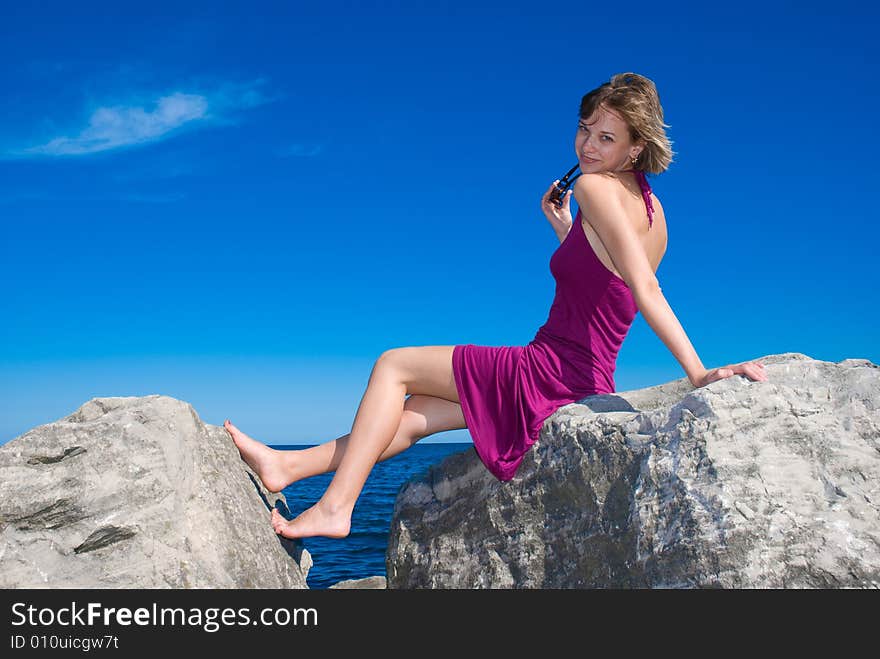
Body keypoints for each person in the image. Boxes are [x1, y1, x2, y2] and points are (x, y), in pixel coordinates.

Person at [223, 72, 768, 540]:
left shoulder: (599, 190)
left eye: (606, 138)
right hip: (584, 379)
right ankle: (286, 465)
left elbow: (644, 292)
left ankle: (337, 507)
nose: (588, 147)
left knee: (394, 364)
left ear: (633, 148)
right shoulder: (654, 212)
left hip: (549, 372)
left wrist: (699, 374)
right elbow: (611, 291)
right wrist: (566, 234)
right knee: (413, 417)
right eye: (584, 129)